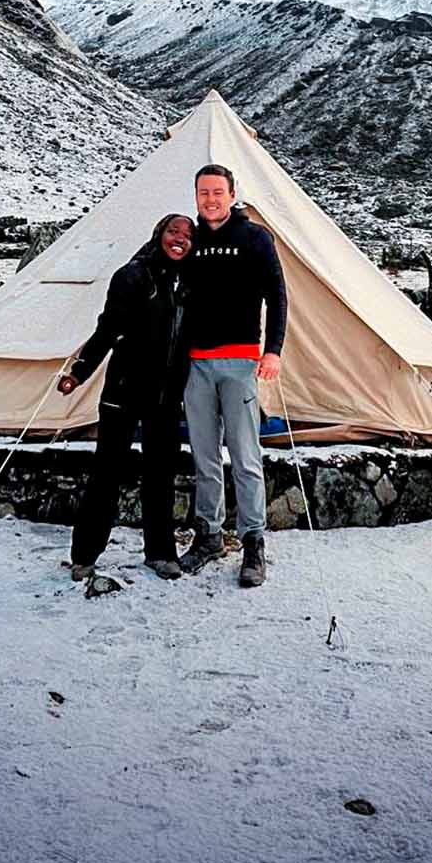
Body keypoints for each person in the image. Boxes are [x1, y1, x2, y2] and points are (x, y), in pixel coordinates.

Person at [59, 213, 195, 581]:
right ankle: (85, 554)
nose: (179, 238)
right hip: (124, 391)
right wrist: (79, 371)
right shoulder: (133, 275)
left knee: (160, 475)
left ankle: (161, 552)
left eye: (187, 234)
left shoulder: (192, 282)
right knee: (107, 472)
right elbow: (107, 329)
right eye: (173, 231)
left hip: (165, 397)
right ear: (159, 234)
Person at [179, 164, 287, 587]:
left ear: (231, 193)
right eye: (203, 192)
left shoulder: (255, 237)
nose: (210, 199)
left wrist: (273, 350)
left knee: (245, 455)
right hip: (196, 364)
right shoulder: (189, 237)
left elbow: (277, 296)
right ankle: (208, 534)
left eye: (217, 192)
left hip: (241, 361)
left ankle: (253, 541)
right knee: (204, 454)